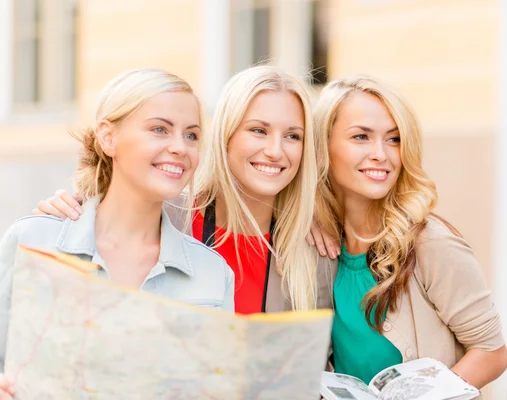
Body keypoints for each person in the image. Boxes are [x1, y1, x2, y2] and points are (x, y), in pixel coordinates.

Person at [0, 68, 234, 398]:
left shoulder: (213, 274)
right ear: (109, 138)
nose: (180, 147)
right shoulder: (32, 241)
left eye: (192, 135)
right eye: (160, 129)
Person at [32, 65, 336, 314]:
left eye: (293, 136)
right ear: (224, 136)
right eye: (258, 130)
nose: (275, 150)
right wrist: (69, 212)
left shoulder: (315, 254)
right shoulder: (165, 217)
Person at [312, 75, 507, 389]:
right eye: (361, 136)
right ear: (323, 145)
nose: (381, 153)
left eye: (394, 139)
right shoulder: (320, 243)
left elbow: (492, 353)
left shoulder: (431, 243)